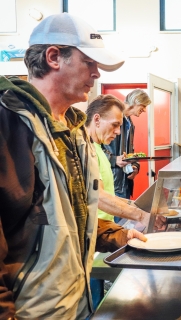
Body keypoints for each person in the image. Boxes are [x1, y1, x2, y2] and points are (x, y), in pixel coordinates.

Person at [0, 13, 151, 319]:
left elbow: (69, 218)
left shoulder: (74, 130)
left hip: (74, 303)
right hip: (31, 311)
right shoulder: (9, 124)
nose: (96, 74)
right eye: (89, 63)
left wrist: (116, 235)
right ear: (54, 57)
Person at [85, 94, 165, 228]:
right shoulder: (86, 149)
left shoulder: (98, 148)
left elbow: (110, 195)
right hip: (95, 229)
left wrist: (140, 207)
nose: (118, 132)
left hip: (105, 226)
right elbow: (98, 196)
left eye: (119, 126)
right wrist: (141, 216)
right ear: (97, 119)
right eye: (115, 125)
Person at [103, 89, 151, 209]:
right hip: (112, 183)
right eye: (143, 106)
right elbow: (95, 147)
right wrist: (114, 160)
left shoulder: (129, 123)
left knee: (123, 223)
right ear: (135, 101)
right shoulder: (111, 119)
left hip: (125, 182)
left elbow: (130, 152)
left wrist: (135, 166)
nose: (144, 110)